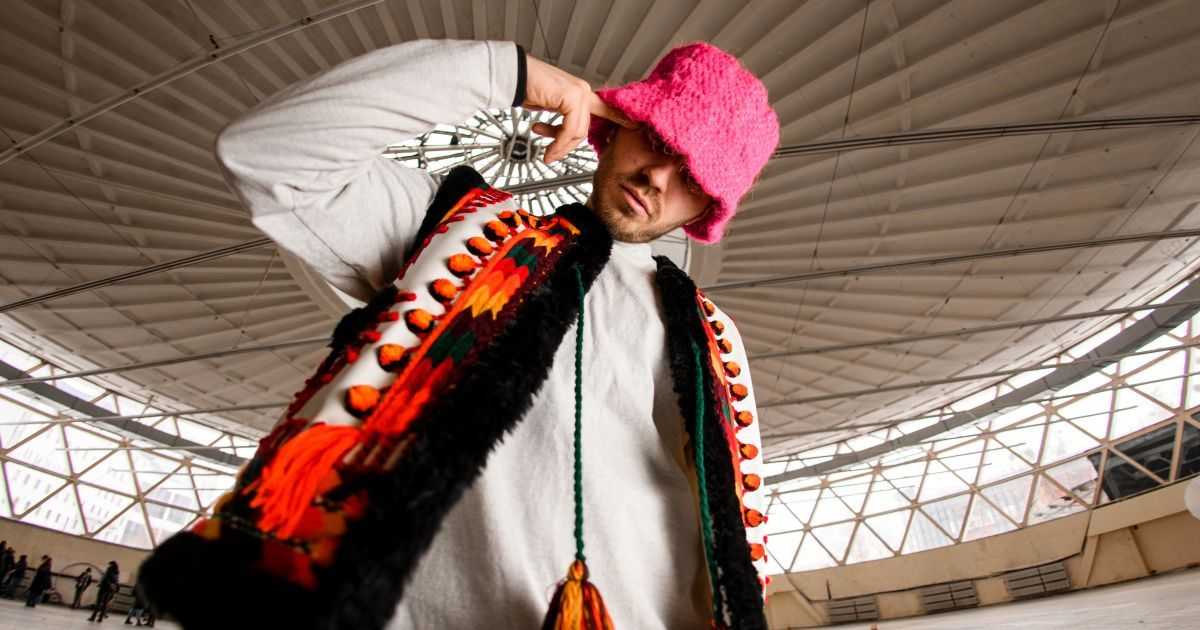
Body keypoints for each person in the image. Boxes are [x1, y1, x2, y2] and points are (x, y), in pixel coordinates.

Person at [142, 39, 775, 630]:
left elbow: (730, 544)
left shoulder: (711, 337)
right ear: (619, 123)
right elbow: (266, 156)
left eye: (694, 179)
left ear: (706, 210)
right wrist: (511, 75)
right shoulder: (462, 231)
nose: (659, 177)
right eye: (657, 139)